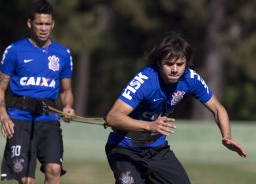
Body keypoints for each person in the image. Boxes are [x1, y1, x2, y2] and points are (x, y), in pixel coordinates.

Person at [105, 33, 247, 184]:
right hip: (124, 149)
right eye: (168, 64)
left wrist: (227, 136)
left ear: (186, 64)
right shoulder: (145, 81)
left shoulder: (190, 79)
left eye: (180, 64)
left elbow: (217, 108)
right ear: (159, 63)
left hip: (157, 150)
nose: (174, 69)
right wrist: (149, 125)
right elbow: (113, 117)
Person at [0, 0, 75, 183]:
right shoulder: (14, 50)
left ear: (53, 24)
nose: (43, 28)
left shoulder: (63, 53)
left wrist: (68, 106)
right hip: (20, 118)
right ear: (30, 23)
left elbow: (66, 90)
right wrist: (4, 117)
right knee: (27, 180)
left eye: (47, 24)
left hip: (49, 118)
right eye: (39, 23)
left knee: (54, 169)